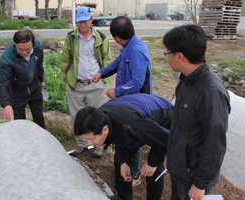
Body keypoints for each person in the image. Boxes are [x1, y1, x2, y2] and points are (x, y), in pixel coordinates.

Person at [163, 24, 231, 200]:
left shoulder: (210, 92)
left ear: (179, 56)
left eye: (167, 53)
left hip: (193, 178)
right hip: (180, 169)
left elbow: (215, 142)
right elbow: (178, 125)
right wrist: (170, 155)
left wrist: (201, 183)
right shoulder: (185, 82)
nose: (166, 58)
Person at [91, 15, 153, 186]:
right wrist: (101, 73)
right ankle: (123, 167)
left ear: (117, 36)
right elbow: (116, 64)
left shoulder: (137, 50)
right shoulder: (127, 47)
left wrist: (117, 91)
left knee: (133, 139)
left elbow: (137, 82)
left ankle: (133, 174)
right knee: (123, 136)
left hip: (137, 102)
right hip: (126, 100)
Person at [74, 93, 173, 200]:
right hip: (133, 118)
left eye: (91, 139)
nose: (89, 143)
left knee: (154, 172)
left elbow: (167, 140)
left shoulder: (132, 124)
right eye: (86, 139)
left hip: (165, 120)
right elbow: (117, 137)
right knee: (122, 164)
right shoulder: (102, 118)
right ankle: (123, 197)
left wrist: (152, 163)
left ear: (105, 130)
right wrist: (122, 162)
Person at [61, 6, 112, 157]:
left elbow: (107, 60)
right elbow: (65, 59)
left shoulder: (100, 38)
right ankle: (81, 144)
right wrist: (67, 78)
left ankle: (99, 145)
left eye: (85, 21)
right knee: (76, 116)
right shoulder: (70, 37)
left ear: (91, 20)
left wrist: (104, 80)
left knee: (98, 115)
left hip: (95, 84)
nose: (82, 25)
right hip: (75, 84)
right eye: (79, 22)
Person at [0, 30, 45, 128]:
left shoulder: (38, 46)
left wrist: (41, 80)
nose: (24, 52)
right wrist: (6, 104)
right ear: (15, 44)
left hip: (34, 88)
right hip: (17, 92)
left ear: (33, 43)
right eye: (20, 49)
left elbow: (39, 65)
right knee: (20, 123)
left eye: (27, 49)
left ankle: (40, 140)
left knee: (39, 118)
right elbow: (3, 82)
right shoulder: (8, 56)